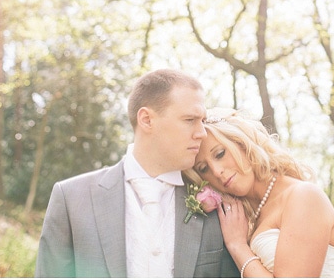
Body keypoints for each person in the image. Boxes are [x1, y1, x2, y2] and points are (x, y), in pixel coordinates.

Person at [35, 69, 238, 277]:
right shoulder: (71, 198)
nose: (201, 133)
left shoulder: (218, 204)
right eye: (189, 120)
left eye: (202, 121)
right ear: (147, 120)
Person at [188, 109, 334, 278]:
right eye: (203, 169)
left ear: (243, 143)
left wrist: (238, 246)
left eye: (220, 154)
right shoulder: (247, 219)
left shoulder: (303, 196)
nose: (217, 171)